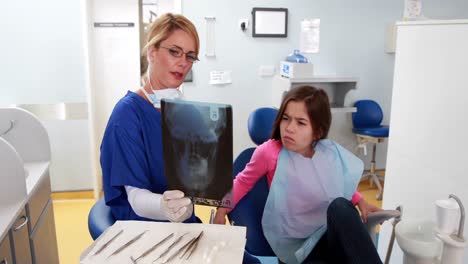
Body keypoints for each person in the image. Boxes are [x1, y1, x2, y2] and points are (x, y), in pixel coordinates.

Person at [214, 86, 383, 264]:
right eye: (286, 119)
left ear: (317, 131)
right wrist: (221, 209)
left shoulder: (324, 152)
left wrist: (360, 201)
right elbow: (242, 182)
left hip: (323, 236)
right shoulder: (269, 152)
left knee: (340, 205)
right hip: (295, 247)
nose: (289, 128)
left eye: (301, 123)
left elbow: (337, 183)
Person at [100, 13, 201, 223]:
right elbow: (136, 199)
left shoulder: (182, 111)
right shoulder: (127, 116)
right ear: (152, 52)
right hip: (144, 229)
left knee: (239, 254)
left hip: (183, 223)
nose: (184, 63)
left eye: (190, 56)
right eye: (175, 52)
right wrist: (164, 207)